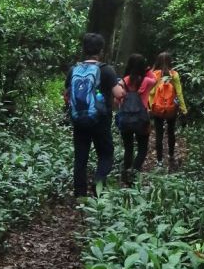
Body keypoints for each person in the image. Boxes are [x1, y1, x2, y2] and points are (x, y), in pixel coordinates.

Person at [65, 32, 124, 197]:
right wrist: (119, 84)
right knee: (106, 154)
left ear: (84, 49)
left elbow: (66, 95)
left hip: (79, 120)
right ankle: (98, 184)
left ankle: (80, 196)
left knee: (80, 158)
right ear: (101, 51)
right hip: (101, 120)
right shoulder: (107, 70)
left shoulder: (73, 70)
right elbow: (119, 94)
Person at [116, 53, 157, 184]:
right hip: (141, 120)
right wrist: (148, 69)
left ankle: (126, 172)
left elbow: (118, 100)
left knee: (128, 148)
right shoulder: (147, 81)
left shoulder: (123, 81)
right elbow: (155, 78)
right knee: (142, 149)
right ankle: (134, 172)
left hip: (125, 120)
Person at [150, 51, 187, 169]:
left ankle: (159, 161)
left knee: (159, 134)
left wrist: (150, 106)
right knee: (171, 132)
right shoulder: (174, 74)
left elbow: (151, 92)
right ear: (171, 62)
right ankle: (171, 156)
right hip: (171, 108)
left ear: (157, 62)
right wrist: (183, 108)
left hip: (157, 108)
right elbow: (179, 92)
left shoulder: (153, 74)